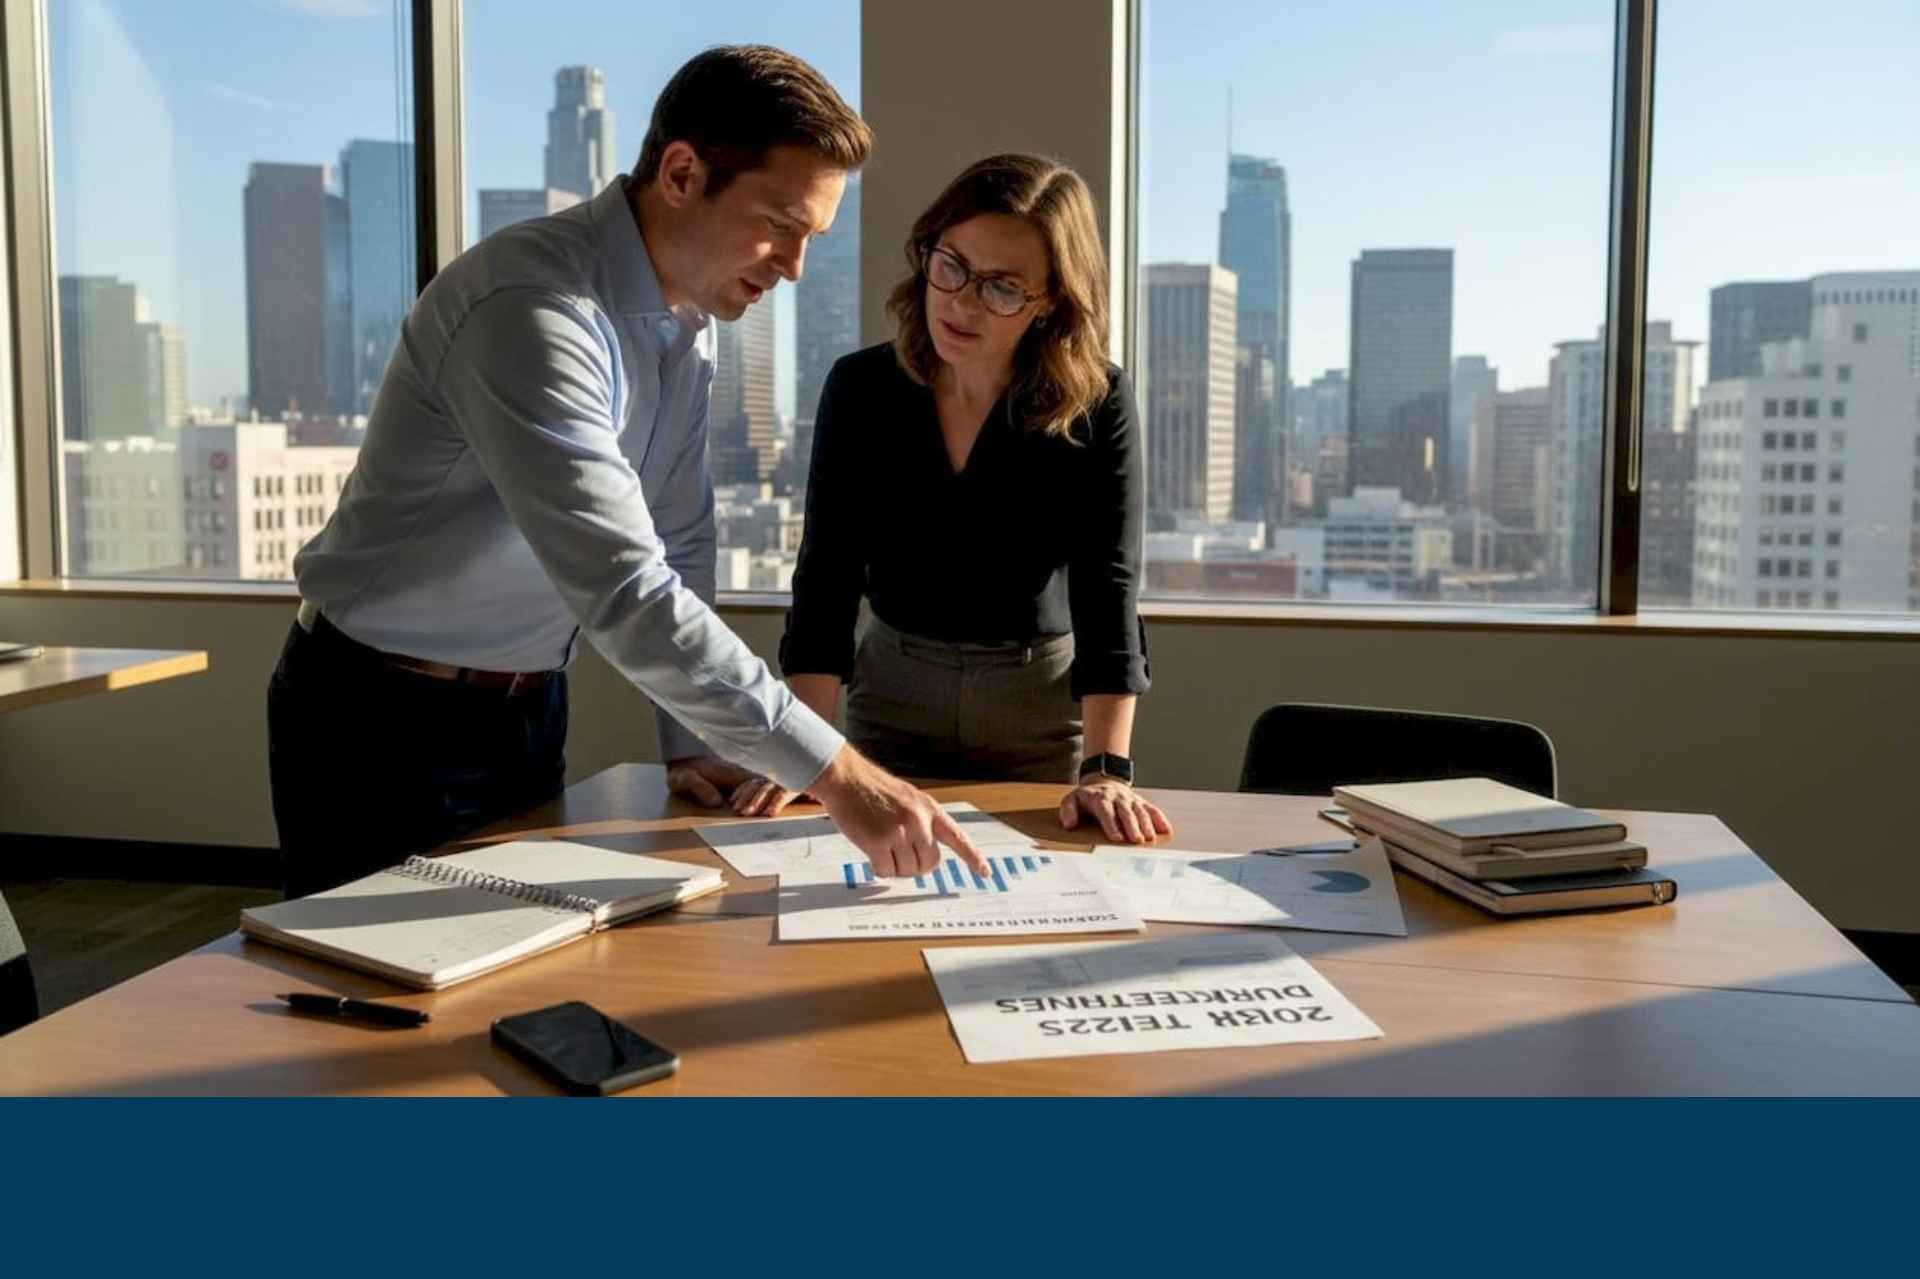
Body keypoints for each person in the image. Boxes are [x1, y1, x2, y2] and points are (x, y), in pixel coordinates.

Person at [269, 45, 987, 898]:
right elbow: (625, 588)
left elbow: (678, 535)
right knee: (371, 1013)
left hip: (528, 710)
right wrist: (842, 775)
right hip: (379, 720)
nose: (794, 267)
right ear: (682, 172)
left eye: (812, 239)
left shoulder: (687, 323)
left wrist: (690, 737)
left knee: (515, 982)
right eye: (781, 225)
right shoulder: (533, 311)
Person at [742, 154, 1170, 846]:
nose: (962, 302)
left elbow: (1107, 584)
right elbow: (826, 574)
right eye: (952, 266)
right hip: (894, 692)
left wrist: (1105, 768)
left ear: (1050, 302)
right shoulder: (860, 388)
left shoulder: (1096, 401)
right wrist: (808, 752)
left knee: (1031, 890)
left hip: (1034, 704)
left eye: (1002, 288)